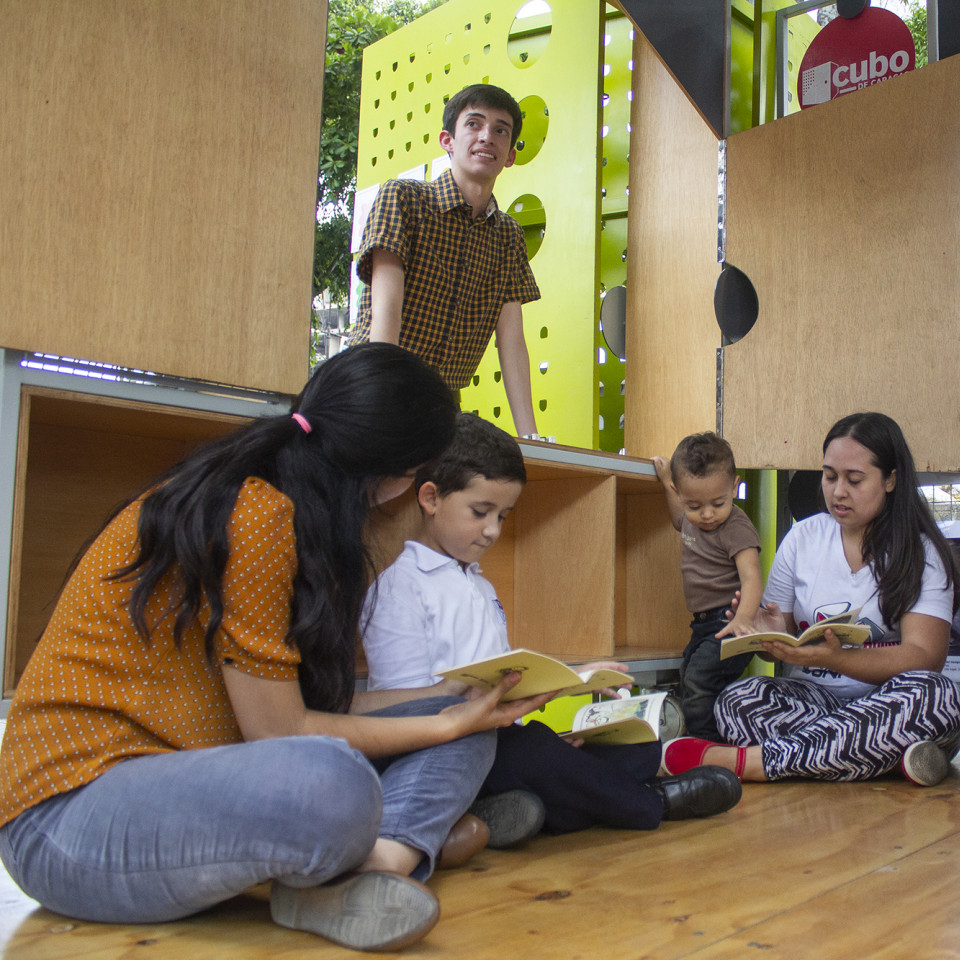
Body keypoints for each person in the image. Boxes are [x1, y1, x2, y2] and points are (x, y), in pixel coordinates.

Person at [0, 344, 558, 952]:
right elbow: (281, 733)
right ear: (395, 477)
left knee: (463, 723)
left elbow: (317, 712)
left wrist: (449, 704)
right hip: (65, 821)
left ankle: (378, 862)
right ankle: (387, 847)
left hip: (195, 780)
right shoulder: (256, 512)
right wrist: (444, 726)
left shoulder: (288, 510)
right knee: (334, 782)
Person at [362, 413, 741, 839]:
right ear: (430, 498)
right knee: (535, 755)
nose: (491, 531)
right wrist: (468, 700)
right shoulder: (400, 589)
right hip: (450, 748)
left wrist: (569, 682)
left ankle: (524, 809)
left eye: (503, 516)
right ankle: (650, 802)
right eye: (480, 512)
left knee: (635, 747)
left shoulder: (478, 582)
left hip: (504, 735)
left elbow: (503, 681)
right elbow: (402, 712)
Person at [660, 412, 960, 787]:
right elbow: (781, 641)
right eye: (829, 476)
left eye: (854, 480)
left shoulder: (921, 552)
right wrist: (769, 633)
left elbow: (925, 658)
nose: (838, 491)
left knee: (938, 699)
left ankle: (757, 763)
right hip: (812, 700)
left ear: (890, 479)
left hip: (888, 701)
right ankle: (882, 757)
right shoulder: (803, 538)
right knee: (735, 701)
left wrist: (839, 658)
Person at [352, 83, 542, 436]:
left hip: (441, 401)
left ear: (510, 154)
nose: (487, 137)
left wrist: (531, 439)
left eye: (501, 130)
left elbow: (512, 341)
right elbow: (386, 314)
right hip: (374, 380)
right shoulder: (404, 198)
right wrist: (377, 402)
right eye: (474, 124)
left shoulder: (509, 236)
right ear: (447, 140)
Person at [652, 433, 763, 740]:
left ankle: (708, 748)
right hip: (701, 626)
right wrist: (665, 483)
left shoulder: (736, 527)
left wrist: (744, 619)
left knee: (699, 679)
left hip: (729, 623)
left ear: (734, 486)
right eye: (694, 505)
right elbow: (678, 519)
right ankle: (722, 736)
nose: (707, 514)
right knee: (689, 676)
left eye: (718, 502)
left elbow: (752, 577)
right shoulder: (690, 519)